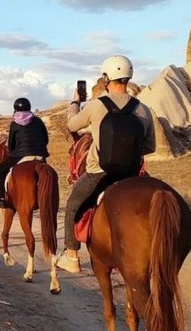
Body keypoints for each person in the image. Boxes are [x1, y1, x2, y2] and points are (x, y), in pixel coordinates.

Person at [57, 55, 156, 274]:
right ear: (128, 78)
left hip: (99, 172)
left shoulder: (96, 105)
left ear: (106, 78)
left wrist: (75, 103)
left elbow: (73, 124)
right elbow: (150, 146)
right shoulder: (143, 109)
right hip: (132, 174)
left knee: (73, 202)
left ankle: (72, 254)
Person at [0, 98, 49, 208]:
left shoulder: (14, 123)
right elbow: (45, 139)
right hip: (40, 155)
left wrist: (12, 153)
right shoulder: (38, 121)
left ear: (15, 109)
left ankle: (0, 197)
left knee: (0, 170)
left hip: (20, 155)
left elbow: (11, 144)